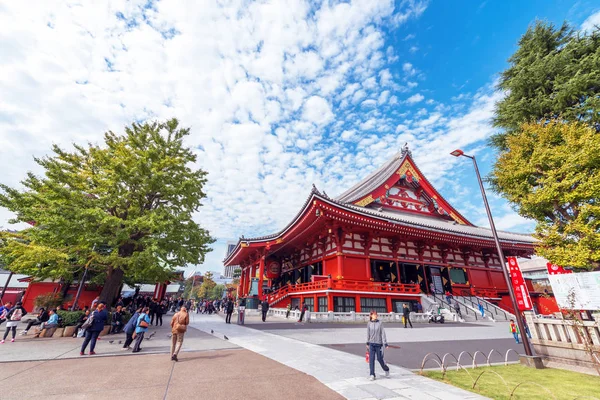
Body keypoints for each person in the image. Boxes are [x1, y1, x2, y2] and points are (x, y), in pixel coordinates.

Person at [366, 310, 390, 380]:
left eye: (376, 314)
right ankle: (372, 374)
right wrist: (367, 342)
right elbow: (368, 333)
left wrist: (385, 343)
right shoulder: (369, 323)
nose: (375, 315)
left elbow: (383, 333)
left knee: (380, 358)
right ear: (371, 315)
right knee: (371, 359)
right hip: (371, 344)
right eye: (374, 314)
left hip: (378, 344)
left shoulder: (380, 323)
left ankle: (386, 369)